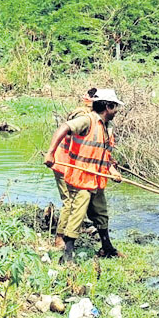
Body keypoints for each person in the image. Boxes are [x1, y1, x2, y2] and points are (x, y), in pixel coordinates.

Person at [45, 88, 124, 265]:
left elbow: (103, 156)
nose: (116, 111)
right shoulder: (86, 120)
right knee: (77, 212)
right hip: (80, 178)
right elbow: (64, 127)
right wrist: (50, 153)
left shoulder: (105, 127)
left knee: (101, 213)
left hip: (95, 179)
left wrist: (112, 171)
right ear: (108, 106)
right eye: (115, 107)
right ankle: (67, 256)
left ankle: (107, 248)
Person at [49, 89, 95, 247]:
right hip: (63, 163)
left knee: (75, 200)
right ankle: (60, 238)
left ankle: (69, 232)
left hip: (71, 165)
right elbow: (66, 130)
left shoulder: (91, 117)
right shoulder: (82, 116)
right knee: (69, 201)